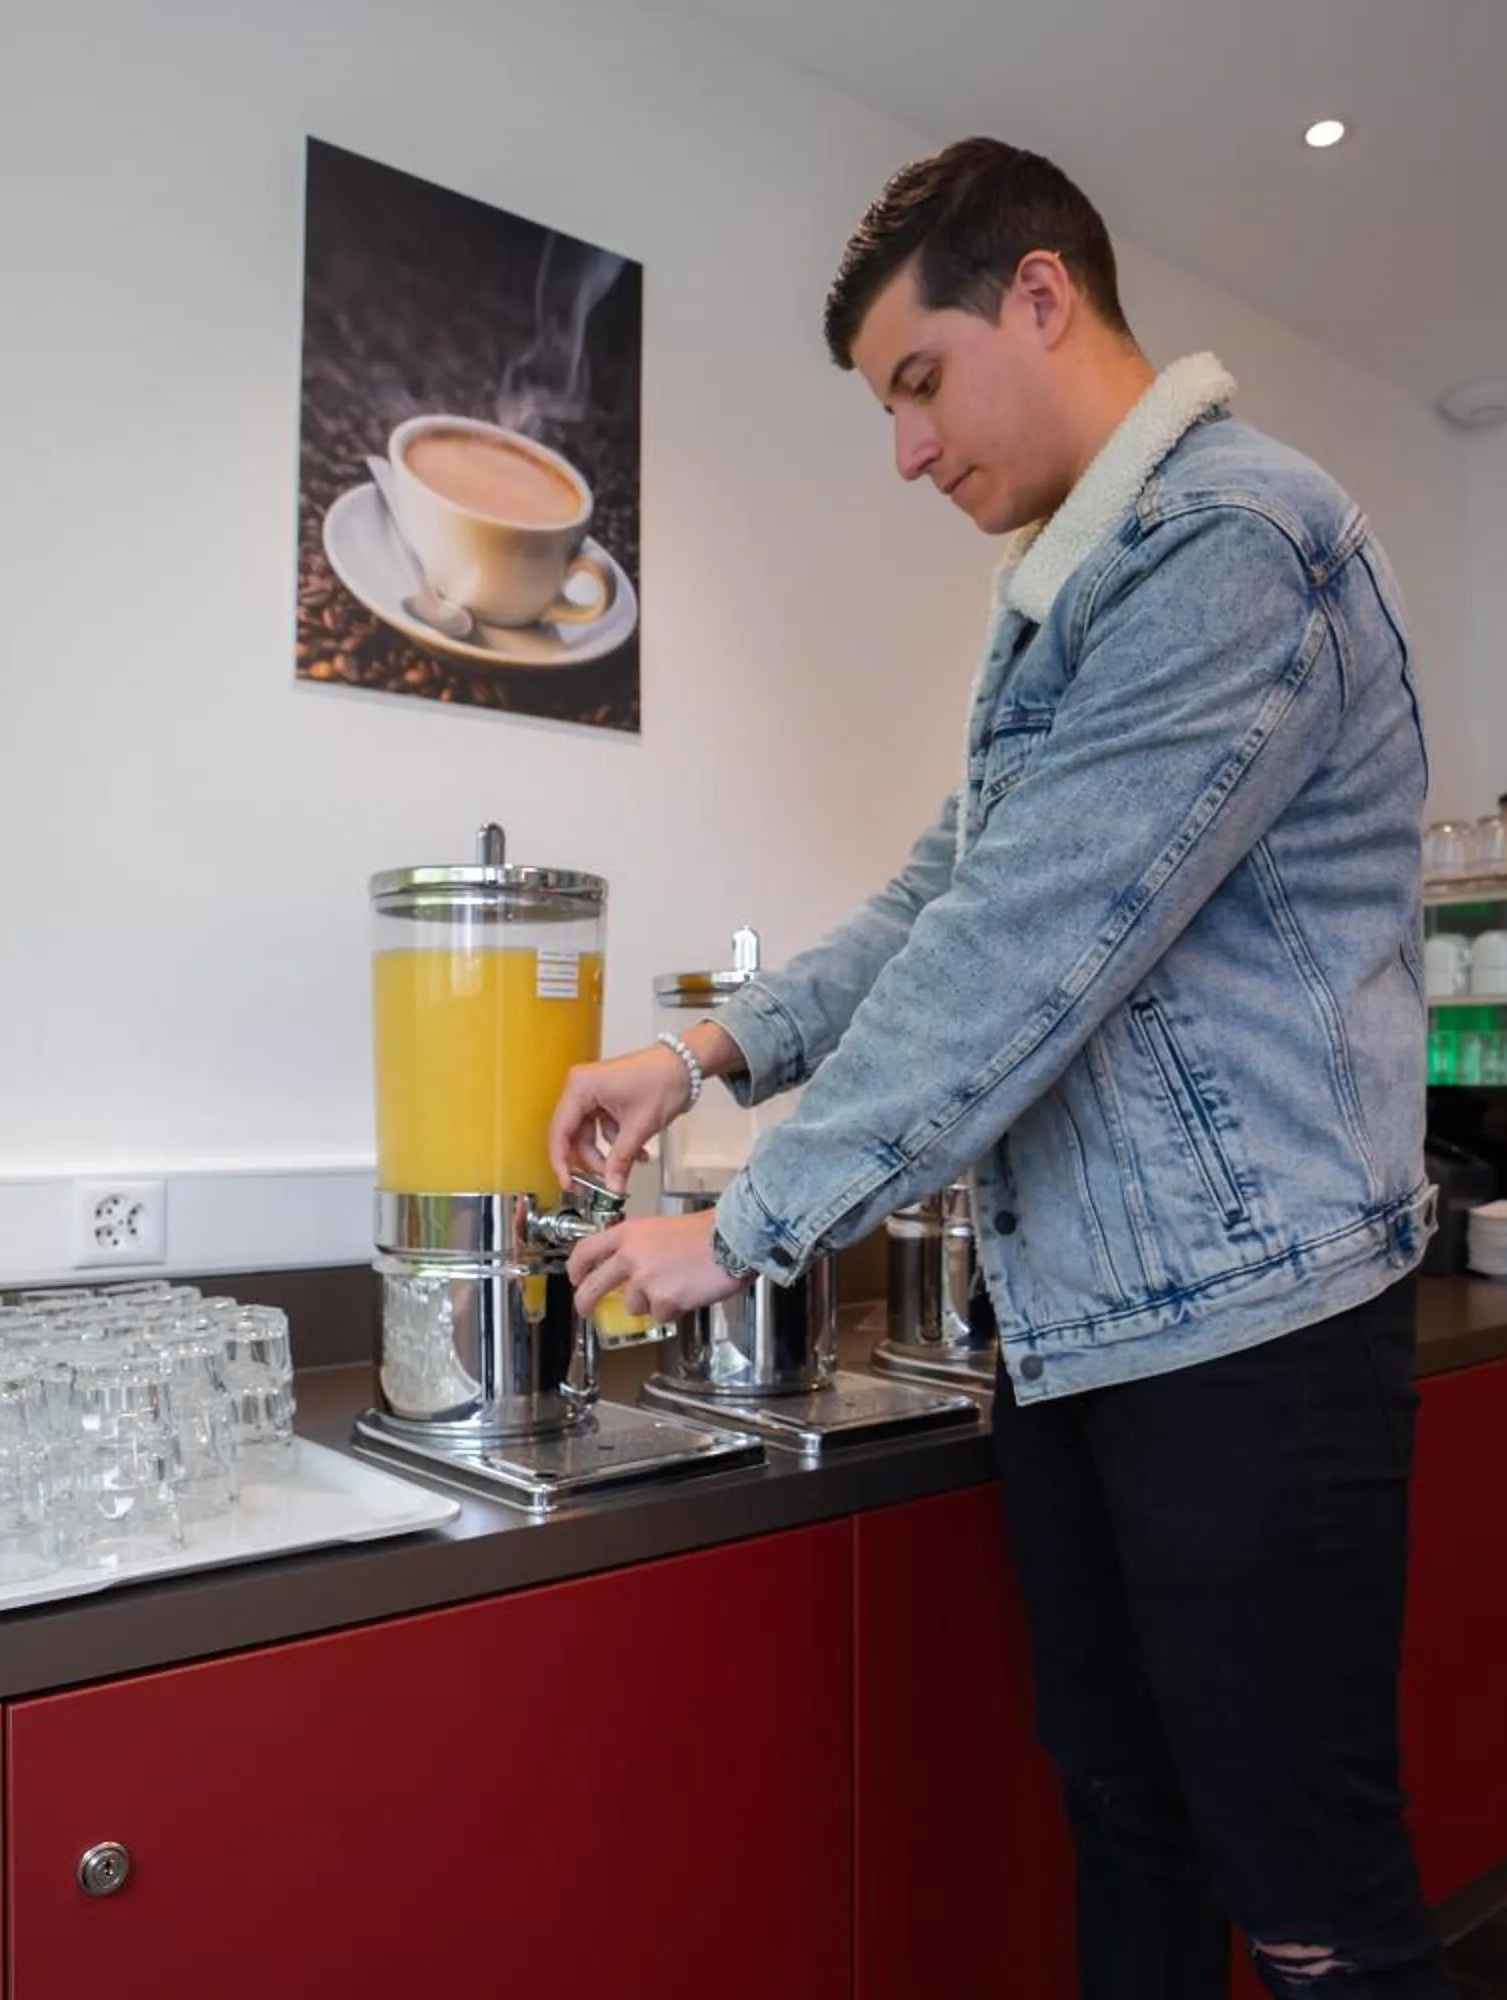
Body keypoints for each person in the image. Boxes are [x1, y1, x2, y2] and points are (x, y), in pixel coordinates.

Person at [548, 138, 1451, 1996]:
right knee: (1128, 1831)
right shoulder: (1074, 584)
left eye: (917, 383)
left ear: (1040, 296)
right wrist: (700, 1051)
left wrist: (751, 1228)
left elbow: (1030, 946)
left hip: (1258, 1341)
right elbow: (951, 890)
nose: (904, 448)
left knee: (1312, 1912)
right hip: (1095, 1334)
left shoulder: (1236, 544)